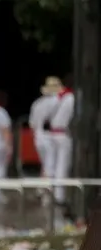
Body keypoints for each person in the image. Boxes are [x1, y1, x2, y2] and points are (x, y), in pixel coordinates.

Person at [47, 74, 74, 208]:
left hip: (52, 133)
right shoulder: (72, 98)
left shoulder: (56, 97)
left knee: (53, 165)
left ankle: (52, 192)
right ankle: (60, 196)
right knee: (62, 166)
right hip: (63, 134)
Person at [28, 77, 61, 186]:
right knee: (51, 166)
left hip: (39, 137)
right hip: (51, 136)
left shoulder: (37, 103)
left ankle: (42, 188)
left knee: (45, 165)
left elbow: (32, 124)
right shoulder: (57, 101)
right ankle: (46, 193)